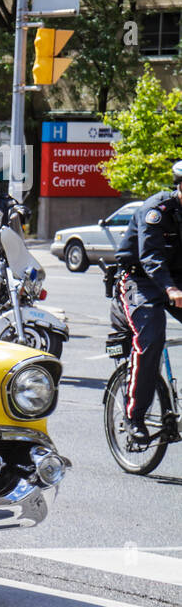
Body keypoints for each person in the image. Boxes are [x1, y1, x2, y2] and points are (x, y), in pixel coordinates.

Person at [111, 162, 182, 448]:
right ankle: (134, 416)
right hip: (139, 280)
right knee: (152, 336)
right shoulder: (157, 210)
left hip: (175, 280)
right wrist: (170, 288)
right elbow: (150, 255)